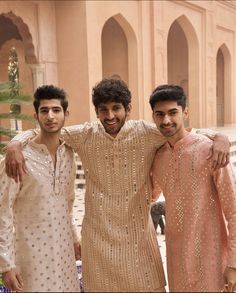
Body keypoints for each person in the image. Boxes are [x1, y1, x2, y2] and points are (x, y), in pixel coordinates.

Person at [4, 79, 230, 292]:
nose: (110, 115)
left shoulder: (147, 133)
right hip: (98, 245)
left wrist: (219, 137)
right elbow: (46, 129)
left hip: (139, 244)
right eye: (103, 109)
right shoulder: (85, 135)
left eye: (116, 108)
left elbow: (183, 132)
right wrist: (15, 144)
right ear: (97, 112)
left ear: (128, 109)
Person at [150, 84, 236, 292]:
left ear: (185, 112)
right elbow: (150, 196)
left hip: (212, 259)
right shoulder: (159, 157)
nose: (166, 120)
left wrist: (233, 263)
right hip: (176, 259)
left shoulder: (211, 151)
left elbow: (233, 210)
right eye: (159, 114)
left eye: (173, 113)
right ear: (153, 117)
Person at [0, 85, 81, 292]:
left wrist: (74, 238)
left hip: (64, 256)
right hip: (30, 258)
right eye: (44, 111)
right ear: (36, 115)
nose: (50, 116)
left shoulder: (69, 154)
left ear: (66, 114)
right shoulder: (18, 158)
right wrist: (7, 264)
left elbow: (68, 202)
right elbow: (2, 211)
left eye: (56, 110)